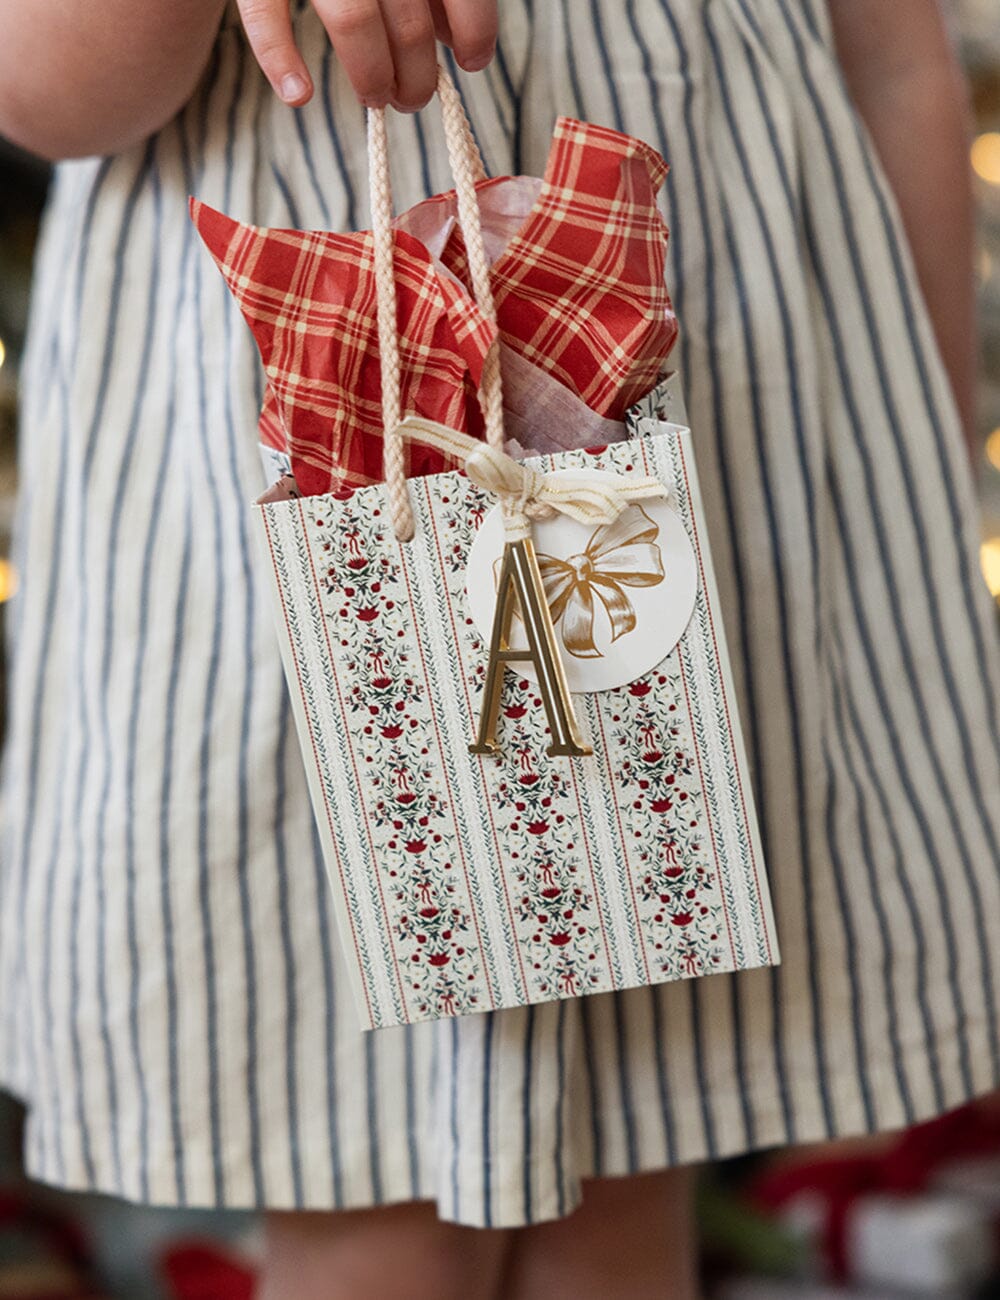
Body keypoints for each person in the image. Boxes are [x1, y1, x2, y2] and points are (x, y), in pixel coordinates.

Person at [0, 2, 997, 1297]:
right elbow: (52, 90)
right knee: (376, 1201)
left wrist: (910, 483)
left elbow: (895, 59)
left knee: (631, 1164)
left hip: (720, 448)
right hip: (316, 456)